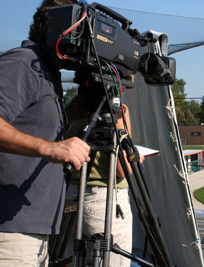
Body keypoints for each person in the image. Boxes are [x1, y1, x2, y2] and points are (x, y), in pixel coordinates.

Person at [0, 0, 91, 266]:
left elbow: (36, 127)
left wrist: (78, 110)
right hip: (11, 231)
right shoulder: (24, 62)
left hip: (35, 230)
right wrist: (49, 148)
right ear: (60, 30)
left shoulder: (48, 73)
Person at [65, 82, 143, 266]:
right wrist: (136, 157)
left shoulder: (74, 107)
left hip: (71, 197)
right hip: (105, 202)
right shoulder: (118, 110)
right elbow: (122, 169)